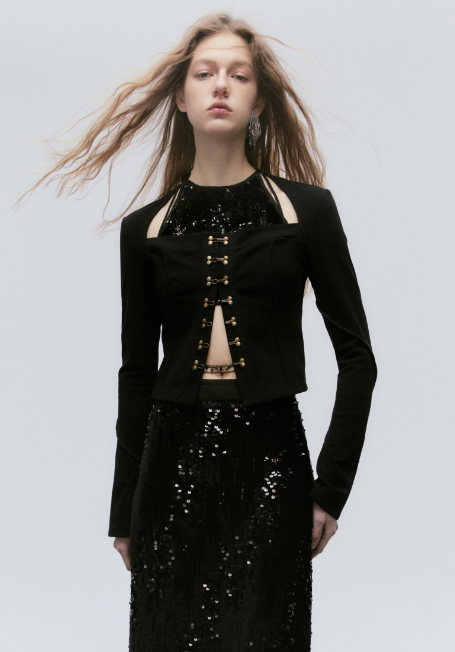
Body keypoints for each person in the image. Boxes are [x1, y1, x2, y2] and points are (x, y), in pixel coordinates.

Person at [17, 11, 377, 651]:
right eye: (205, 73)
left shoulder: (306, 212)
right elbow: (135, 373)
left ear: (257, 100)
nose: (221, 85)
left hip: (272, 462)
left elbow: (359, 359)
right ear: (181, 98)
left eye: (239, 75)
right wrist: (124, 510)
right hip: (170, 464)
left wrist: (330, 491)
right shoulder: (145, 231)